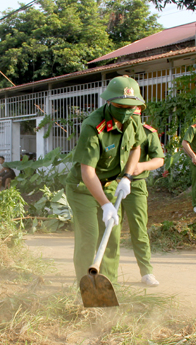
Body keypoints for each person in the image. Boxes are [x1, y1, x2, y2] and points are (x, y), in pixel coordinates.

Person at [65, 76, 145, 283]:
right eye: (121, 106)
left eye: (131, 106)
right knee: (89, 238)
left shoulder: (133, 119)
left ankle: (108, 285)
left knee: (111, 237)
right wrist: (106, 205)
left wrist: (127, 176)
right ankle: (85, 289)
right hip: (83, 188)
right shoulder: (93, 126)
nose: (126, 111)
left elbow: (136, 147)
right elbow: (87, 172)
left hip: (110, 185)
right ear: (109, 101)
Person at [122, 108, 165, 287]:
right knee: (110, 228)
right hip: (111, 184)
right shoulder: (114, 131)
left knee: (138, 229)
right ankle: (105, 271)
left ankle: (146, 272)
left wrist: (142, 166)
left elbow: (159, 159)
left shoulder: (148, 133)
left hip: (136, 185)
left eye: (135, 112)